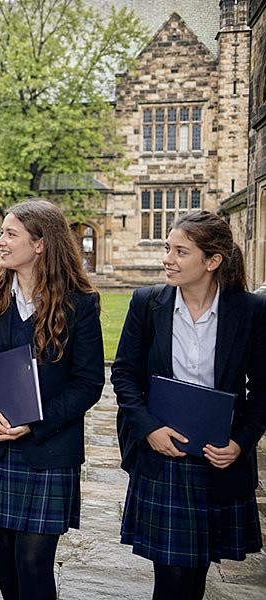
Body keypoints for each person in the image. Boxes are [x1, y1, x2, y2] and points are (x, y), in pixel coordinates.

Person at [0, 199, 104, 600]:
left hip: (48, 447)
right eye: (2, 232)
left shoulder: (80, 302)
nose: (0, 241)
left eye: (10, 234)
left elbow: (88, 383)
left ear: (40, 243)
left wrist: (35, 422)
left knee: (33, 559)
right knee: (2, 548)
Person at [111, 210, 266, 600]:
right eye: (167, 248)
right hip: (163, 457)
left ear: (213, 261)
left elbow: (264, 389)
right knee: (172, 577)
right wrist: (149, 429)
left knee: (194, 574)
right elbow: (125, 376)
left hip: (219, 459)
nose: (167, 258)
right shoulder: (147, 303)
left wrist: (241, 444)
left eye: (181, 251)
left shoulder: (250, 311)